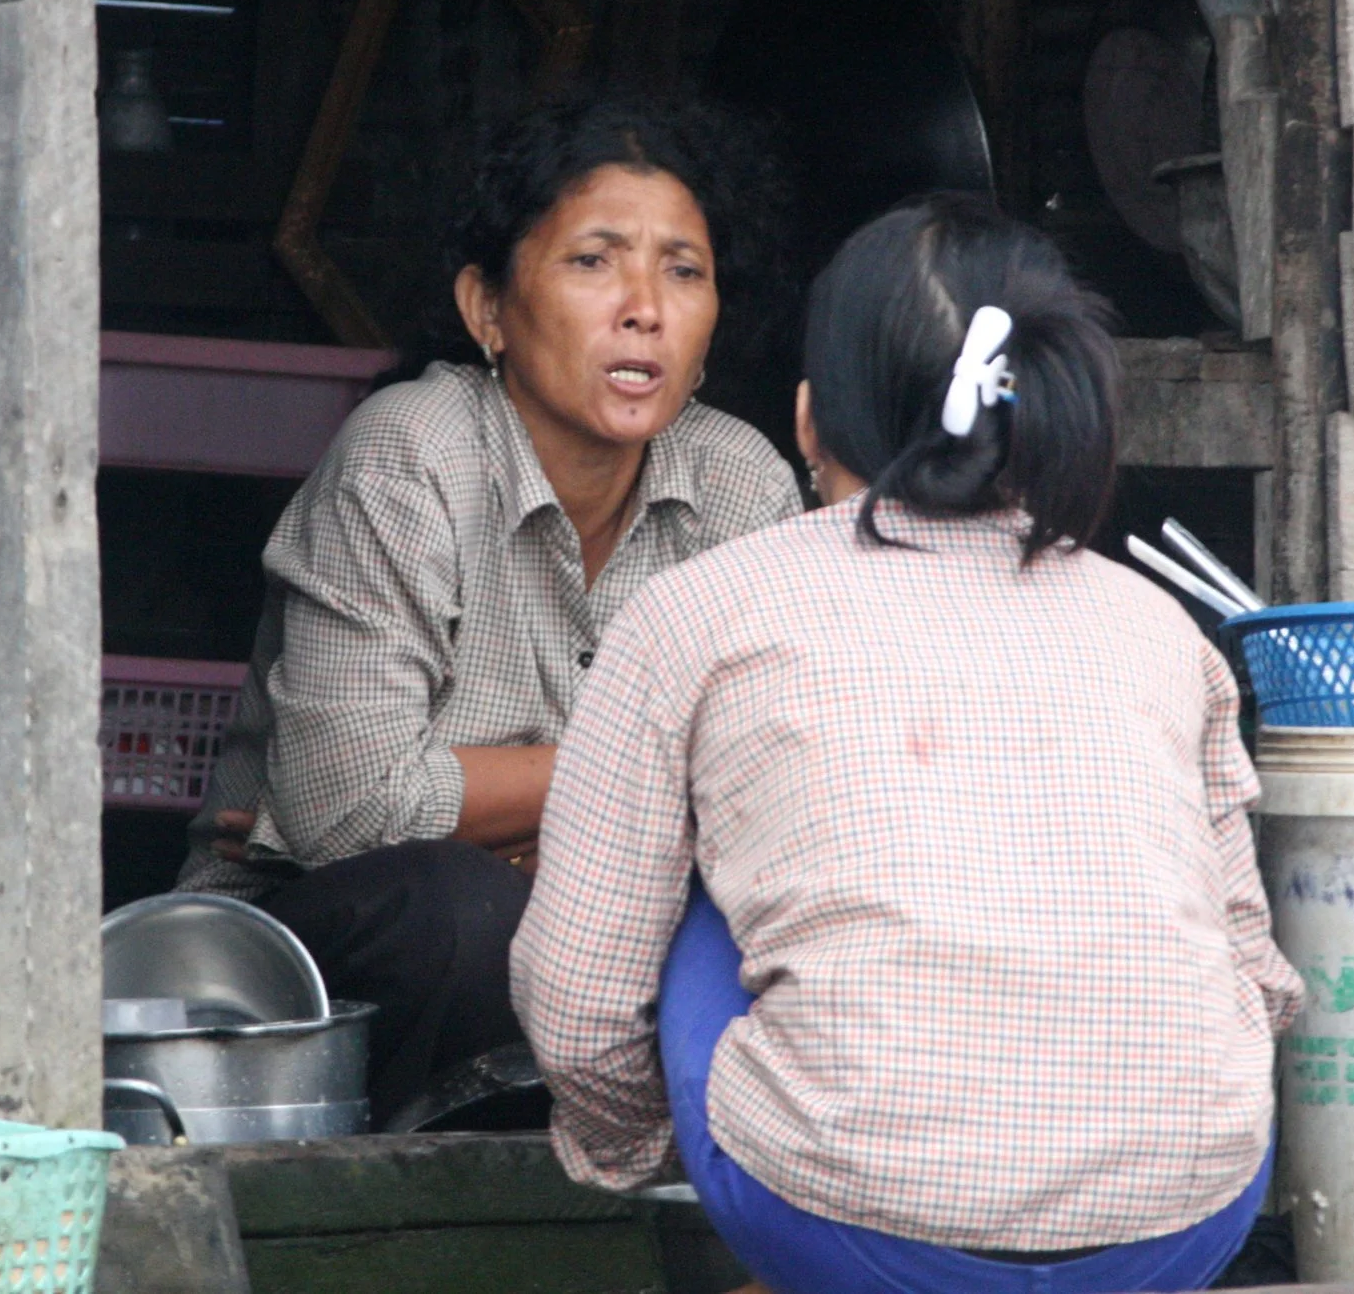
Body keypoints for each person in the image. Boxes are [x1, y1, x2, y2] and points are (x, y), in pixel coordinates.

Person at [512, 192, 1301, 1294]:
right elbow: (1252, 974)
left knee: (701, 895)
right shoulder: (1160, 627)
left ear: (805, 418)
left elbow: (578, 995)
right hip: (1183, 1219)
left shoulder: (700, 610)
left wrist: (650, 1146)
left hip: (853, 1228)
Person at [177, 95, 804, 1125]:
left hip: (608, 924)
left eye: (683, 270)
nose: (643, 304)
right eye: (593, 260)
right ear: (487, 310)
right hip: (298, 967)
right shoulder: (408, 454)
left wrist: (503, 801)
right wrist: (645, 779)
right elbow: (356, 812)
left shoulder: (741, 484)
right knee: (462, 908)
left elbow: (769, 799)